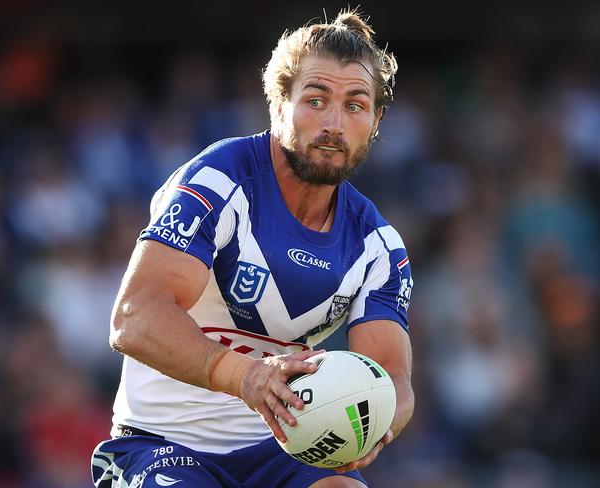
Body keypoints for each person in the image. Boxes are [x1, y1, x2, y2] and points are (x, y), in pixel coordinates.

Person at [92, 9, 414, 488]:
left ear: (375, 119)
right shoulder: (218, 183)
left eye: (354, 105)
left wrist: (378, 421)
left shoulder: (378, 247)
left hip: (285, 451)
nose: (333, 123)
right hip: (161, 444)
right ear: (278, 104)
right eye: (315, 99)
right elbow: (133, 316)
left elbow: (393, 376)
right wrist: (247, 376)